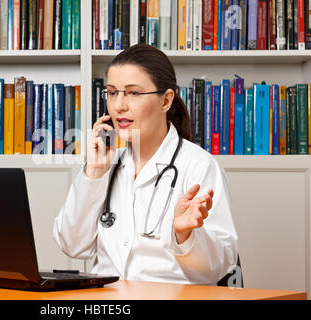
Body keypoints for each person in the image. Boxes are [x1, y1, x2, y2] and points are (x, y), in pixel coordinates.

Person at [53, 43, 238, 285]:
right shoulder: (106, 164)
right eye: (112, 92)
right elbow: (72, 246)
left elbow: (220, 267)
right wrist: (94, 174)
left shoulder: (199, 166)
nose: (119, 105)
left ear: (166, 101)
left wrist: (185, 235)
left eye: (133, 93)